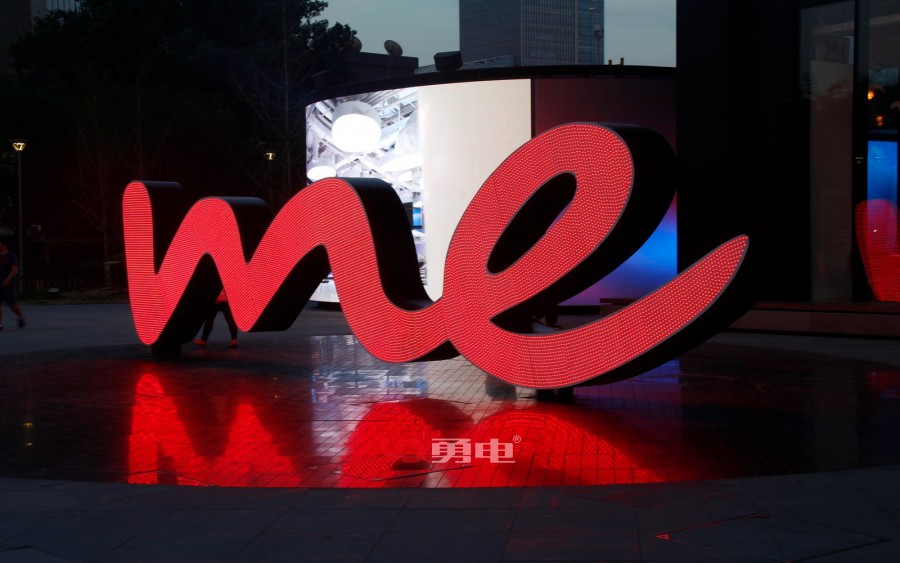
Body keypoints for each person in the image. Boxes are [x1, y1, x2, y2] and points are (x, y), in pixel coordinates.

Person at [0, 238, 26, 331]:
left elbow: (14, 270)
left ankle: (21, 316)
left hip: (8, 284)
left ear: (4, 245)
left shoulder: (11, 256)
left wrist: (7, 280)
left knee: (12, 305)